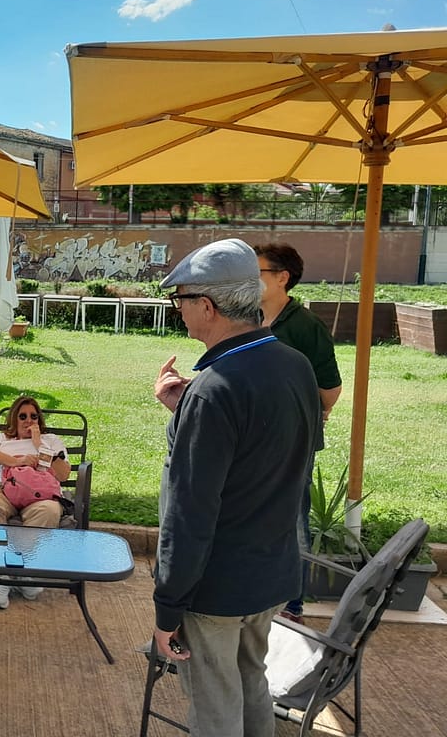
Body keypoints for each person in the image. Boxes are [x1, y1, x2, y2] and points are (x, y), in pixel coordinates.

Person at [152, 238, 322, 737]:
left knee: (215, 709)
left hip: (217, 587)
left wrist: (167, 607)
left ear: (207, 306)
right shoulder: (295, 365)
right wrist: (185, 413)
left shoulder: (213, 390)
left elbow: (189, 512)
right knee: (251, 685)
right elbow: (278, 456)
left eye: (180, 300)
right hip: (270, 574)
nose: (179, 310)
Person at [254, 242, 342, 624]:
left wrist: (300, 408)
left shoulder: (305, 326)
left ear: (282, 278)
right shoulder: (246, 318)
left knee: (292, 518)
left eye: (257, 271)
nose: (249, 279)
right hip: (249, 438)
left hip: (292, 441)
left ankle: (292, 606)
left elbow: (330, 390)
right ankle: (257, 595)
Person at [0, 395, 69, 608]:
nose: (28, 420)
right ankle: (11, 573)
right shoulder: (2, 438)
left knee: (50, 511)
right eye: (22, 416)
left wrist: (39, 444)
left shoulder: (51, 441)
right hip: (3, 490)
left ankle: (12, 573)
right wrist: (17, 461)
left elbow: (63, 474)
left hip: (40, 496)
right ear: (14, 419)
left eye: (34, 416)